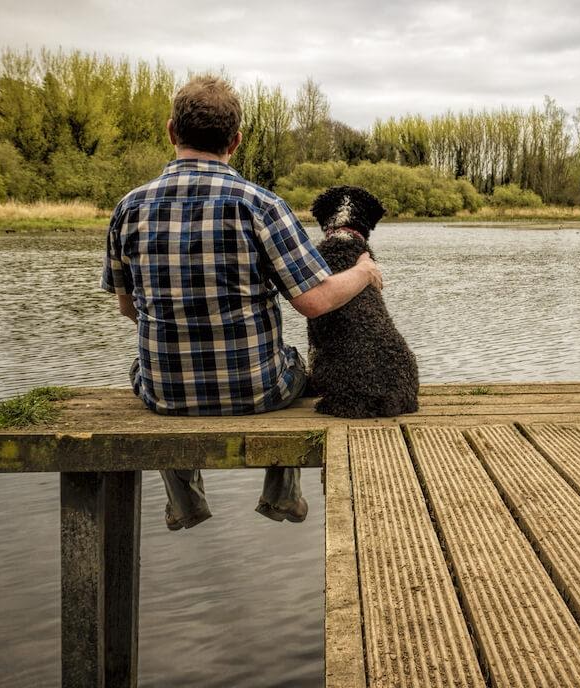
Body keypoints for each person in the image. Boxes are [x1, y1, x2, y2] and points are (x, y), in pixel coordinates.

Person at [100, 75, 382, 529]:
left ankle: (185, 500)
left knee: (146, 367)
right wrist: (363, 272)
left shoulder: (128, 208)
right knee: (294, 365)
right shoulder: (262, 205)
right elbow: (314, 301)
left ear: (172, 131)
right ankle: (281, 493)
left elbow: (128, 309)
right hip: (259, 392)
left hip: (165, 395)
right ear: (236, 140)